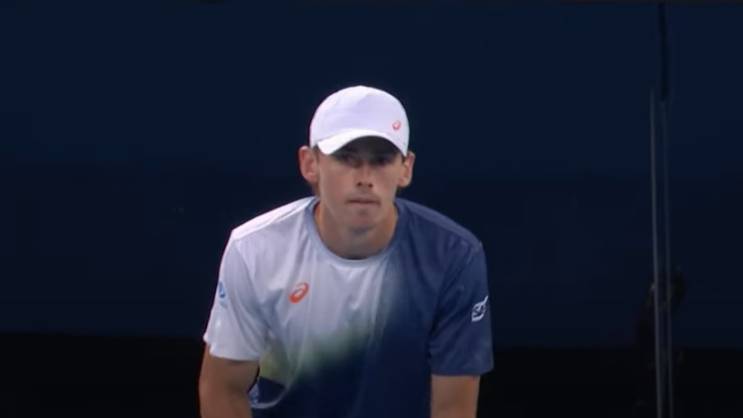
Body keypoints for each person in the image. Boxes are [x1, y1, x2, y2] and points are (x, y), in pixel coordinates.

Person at [199, 85, 493, 418]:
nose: (365, 178)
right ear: (310, 164)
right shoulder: (254, 249)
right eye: (345, 158)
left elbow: (453, 409)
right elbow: (222, 389)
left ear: (405, 168)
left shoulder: (454, 256)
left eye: (381, 160)